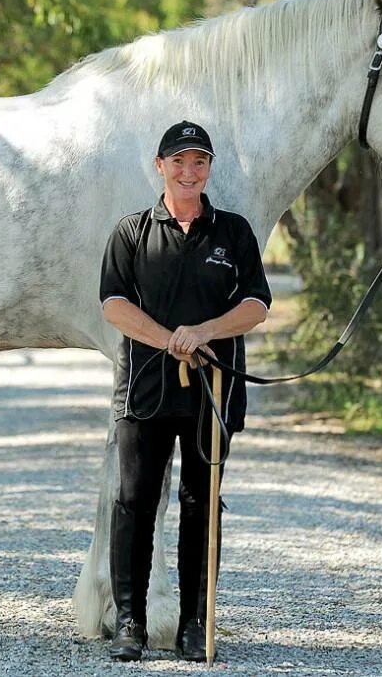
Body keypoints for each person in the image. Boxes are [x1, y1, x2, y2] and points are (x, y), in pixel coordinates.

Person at [99, 121, 272, 662]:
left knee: (202, 505)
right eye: (179, 161)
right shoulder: (131, 232)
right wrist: (169, 340)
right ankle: (130, 621)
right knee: (134, 501)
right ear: (160, 166)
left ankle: (197, 624)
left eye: (199, 162)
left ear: (209, 169)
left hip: (212, 392)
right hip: (145, 391)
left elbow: (257, 304)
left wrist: (204, 333)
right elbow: (113, 303)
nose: (188, 172)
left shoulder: (234, 232)